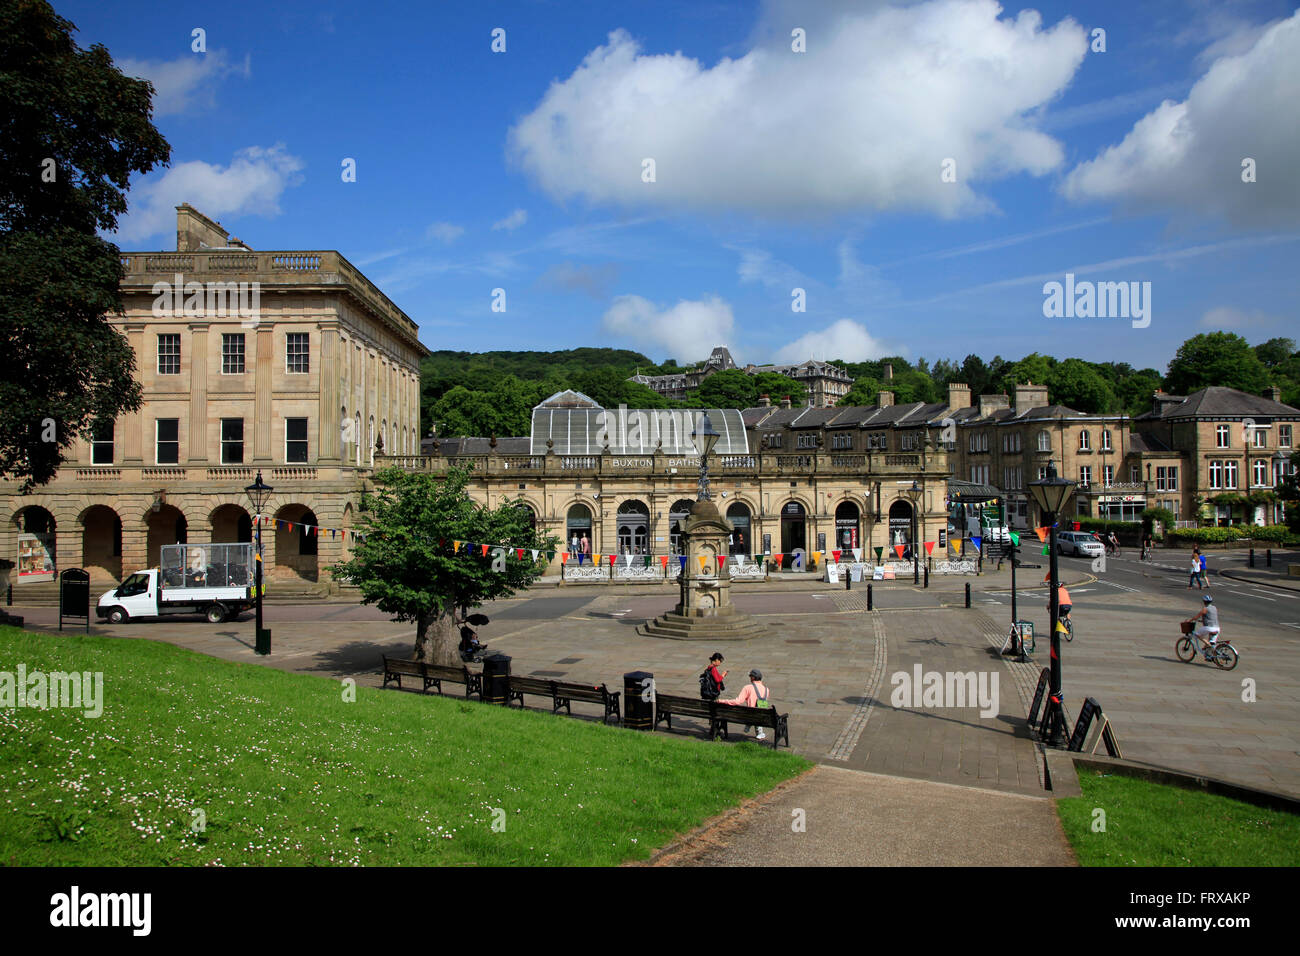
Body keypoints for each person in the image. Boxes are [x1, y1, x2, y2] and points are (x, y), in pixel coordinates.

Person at [720, 669, 771, 741]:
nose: (749, 677)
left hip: (748, 715)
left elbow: (737, 701)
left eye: (750, 676)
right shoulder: (766, 689)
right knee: (758, 712)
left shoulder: (747, 688)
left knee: (752, 713)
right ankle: (758, 731)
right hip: (762, 717)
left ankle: (749, 723)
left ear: (753, 677)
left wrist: (722, 701)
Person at [1186, 594, 1221, 659]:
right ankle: (1209, 655)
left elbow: (1196, 617)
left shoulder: (1205, 609)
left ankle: (1208, 645)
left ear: (1204, 601)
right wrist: (1202, 621)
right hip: (1217, 628)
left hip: (1209, 628)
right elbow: (1211, 617)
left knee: (1197, 634)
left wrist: (1189, 620)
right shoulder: (1215, 608)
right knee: (1211, 642)